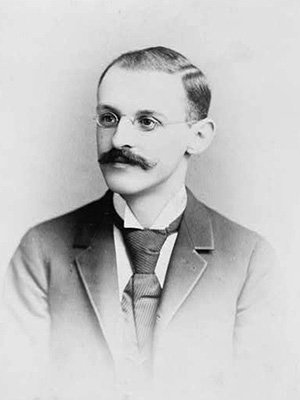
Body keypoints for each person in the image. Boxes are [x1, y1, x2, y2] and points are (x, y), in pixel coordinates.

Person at [2, 46, 284, 400]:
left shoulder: (249, 259)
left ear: (198, 137)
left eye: (147, 122)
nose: (119, 140)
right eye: (108, 118)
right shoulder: (42, 249)